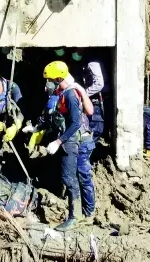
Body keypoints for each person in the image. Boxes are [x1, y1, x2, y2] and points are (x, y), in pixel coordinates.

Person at [41, 61, 96, 232]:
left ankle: (80, 216)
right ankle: (87, 214)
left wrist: (58, 141)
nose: (47, 83)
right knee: (78, 177)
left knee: (77, 177)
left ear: (58, 78)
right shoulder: (62, 93)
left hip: (80, 142)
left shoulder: (71, 95)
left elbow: (75, 123)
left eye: (49, 79)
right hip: (74, 140)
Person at [69, 48, 108, 143]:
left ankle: (87, 154)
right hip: (93, 101)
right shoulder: (85, 63)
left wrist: (83, 94)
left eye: (76, 50)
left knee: (94, 131)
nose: (75, 53)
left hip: (97, 101)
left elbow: (99, 84)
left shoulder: (92, 62)